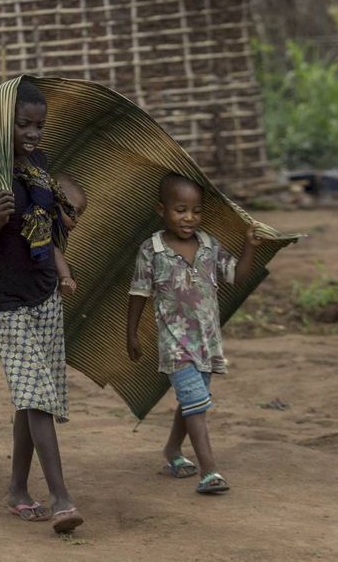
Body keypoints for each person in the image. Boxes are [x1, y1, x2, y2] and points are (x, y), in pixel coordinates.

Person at [0, 79, 84, 533]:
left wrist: (63, 269)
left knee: (30, 400)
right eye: (22, 124)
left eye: (38, 126)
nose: (32, 134)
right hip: (6, 302)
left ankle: (16, 488)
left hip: (45, 294)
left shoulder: (39, 166)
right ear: (0, 125)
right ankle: (61, 498)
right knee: (37, 400)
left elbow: (50, 229)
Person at [126, 173, 264, 494]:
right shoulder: (152, 250)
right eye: (180, 209)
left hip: (207, 343)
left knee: (192, 403)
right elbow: (137, 294)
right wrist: (130, 334)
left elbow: (236, 275)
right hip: (175, 345)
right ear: (162, 210)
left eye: (196, 211)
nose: (189, 218)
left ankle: (173, 451)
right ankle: (210, 471)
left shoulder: (209, 245)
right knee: (196, 405)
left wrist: (248, 246)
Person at [0, 174, 87, 341]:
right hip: (1, 264)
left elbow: (55, 252)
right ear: (54, 203)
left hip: (29, 284)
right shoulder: (35, 215)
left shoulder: (54, 232)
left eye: (78, 215)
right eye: (72, 212)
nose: (76, 220)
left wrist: (65, 277)